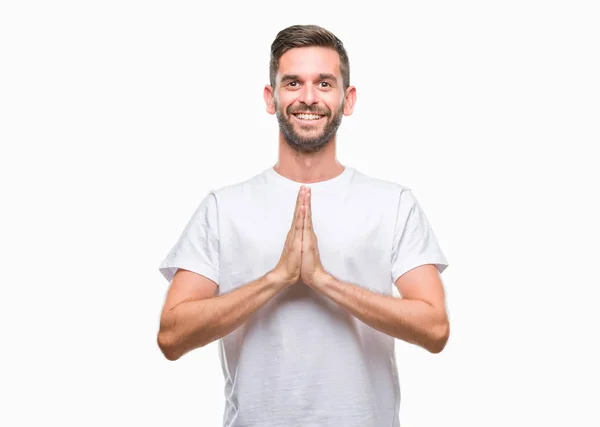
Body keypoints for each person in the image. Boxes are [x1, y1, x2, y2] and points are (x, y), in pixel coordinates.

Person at [157, 24, 450, 427]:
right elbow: (171, 337)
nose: (308, 97)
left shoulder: (393, 203)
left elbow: (435, 328)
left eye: (324, 83)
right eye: (293, 82)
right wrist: (277, 279)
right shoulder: (224, 207)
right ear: (270, 97)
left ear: (347, 100)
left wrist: (323, 281)